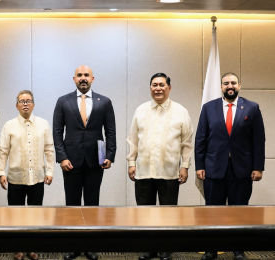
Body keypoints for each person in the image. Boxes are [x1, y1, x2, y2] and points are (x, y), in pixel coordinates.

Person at [195, 72, 265, 260]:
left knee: (240, 212)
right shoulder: (209, 108)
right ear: (221, 87)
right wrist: (199, 165)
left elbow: (259, 140)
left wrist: (258, 167)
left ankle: (238, 249)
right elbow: (200, 139)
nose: (230, 86)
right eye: (226, 83)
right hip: (213, 169)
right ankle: (211, 249)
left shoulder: (251, 108)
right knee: (212, 212)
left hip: (241, 170)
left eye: (233, 82)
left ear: (239, 85)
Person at [126, 72, 193, 260]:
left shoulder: (181, 111)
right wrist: (131, 163)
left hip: (170, 172)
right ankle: (149, 248)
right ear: (150, 88)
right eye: (154, 85)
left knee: (168, 214)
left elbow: (187, 142)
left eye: (162, 85)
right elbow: (133, 140)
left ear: (169, 88)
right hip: (143, 171)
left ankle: (165, 249)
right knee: (145, 214)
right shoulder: (140, 110)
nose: (158, 88)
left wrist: (185, 166)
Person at [53, 65, 116, 260]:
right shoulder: (63, 101)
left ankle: (90, 247)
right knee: (72, 205)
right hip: (70, 161)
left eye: (86, 75)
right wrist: (62, 157)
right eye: (79, 75)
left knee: (92, 204)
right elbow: (57, 132)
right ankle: (72, 247)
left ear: (92, 78)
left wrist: (110, 155)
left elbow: (110, 131)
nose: (83, 78)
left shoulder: (104, 102)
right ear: (74, 79)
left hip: (95, 161)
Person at [0, 90, 55, 260]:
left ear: (33, 105)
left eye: (28, 101)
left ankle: (32, 248)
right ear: (16, 105)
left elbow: (49, 149)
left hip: (37, 178)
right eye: (21, 101)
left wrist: (50, 171)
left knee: (35, 215)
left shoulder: (44, 124)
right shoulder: (9, 125)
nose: (25, 104)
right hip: (15, 178)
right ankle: (18, 248)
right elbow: (3, 151)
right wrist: (1, 172)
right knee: (16, 216)